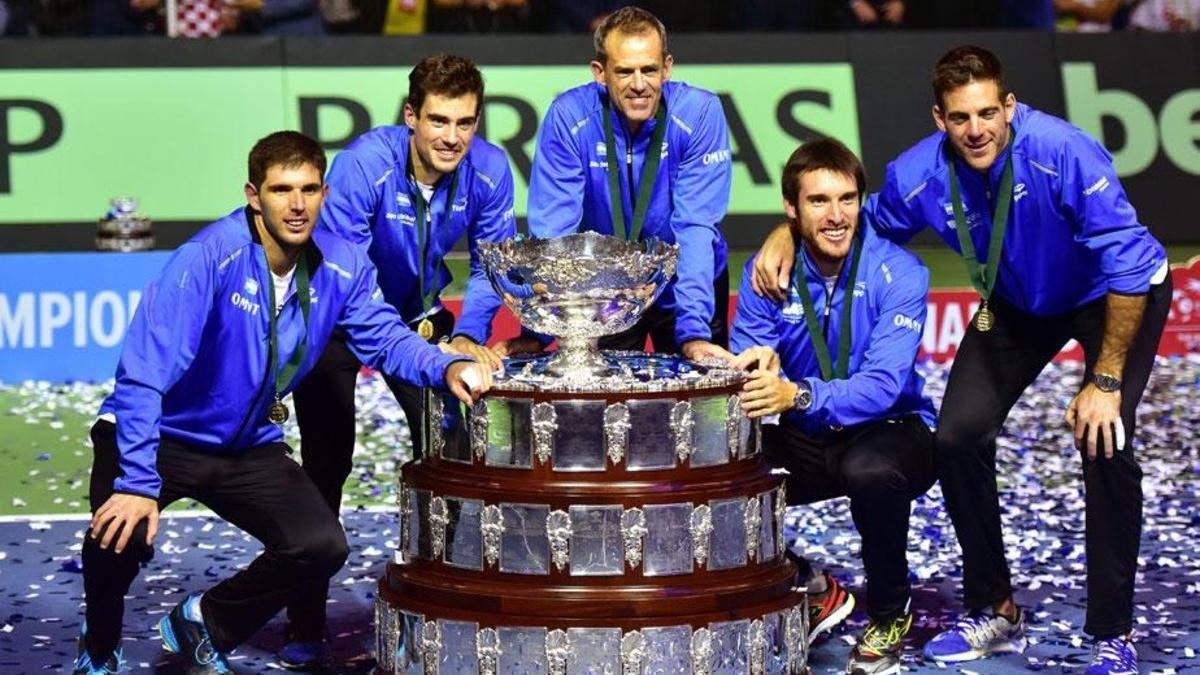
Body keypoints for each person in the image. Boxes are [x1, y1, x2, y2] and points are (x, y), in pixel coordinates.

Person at [749, 46, 1172, 674]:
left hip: (1109, 296)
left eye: (985, 113)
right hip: (1018, 303)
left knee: (1103, 439)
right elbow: (854, 223)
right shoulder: (922, 171)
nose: (974, 130)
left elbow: (1131, 263)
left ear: (1008, 106)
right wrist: (784, 230)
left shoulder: (1063, 151)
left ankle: (1112, 632)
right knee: (956, 435)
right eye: (958, 117)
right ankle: (994, 609)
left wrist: (1105, 380)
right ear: (939, 119)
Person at [72, 130, 491, 675]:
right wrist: (135, 482)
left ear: (324, 191)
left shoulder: (343, 263)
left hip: (246, 448)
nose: (297, 205)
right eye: (281, 190)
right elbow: (143, 376)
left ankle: (205, 622)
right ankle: (100, 646)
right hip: (164, 436)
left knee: (320, 546)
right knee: (117, 533)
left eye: (309, 189)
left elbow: (385, 337)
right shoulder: (207, 258)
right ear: (253, 195)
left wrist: (446, 364)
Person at [283, 53, 530, 670]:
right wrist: (418, 350)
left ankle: (448, 603)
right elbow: (347, 278)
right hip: (341, 319)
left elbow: (491, 266)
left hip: (421, 316)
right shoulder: (366, 164)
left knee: (457, 448)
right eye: (439, 121)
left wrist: (469, 336)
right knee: (328, 459)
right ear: (411, 116)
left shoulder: (491, 170)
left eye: (466, 123)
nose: (452, 137)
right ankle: (305, 619)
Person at [732, 138, 935, 675]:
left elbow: (884, 386)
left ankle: (891, 614)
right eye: (819, 201)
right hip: (807, 433)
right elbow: (746, 357)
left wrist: (796, 393)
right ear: (791, 210)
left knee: (868, 470)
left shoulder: (902, 273)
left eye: (847, 199)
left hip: (890, 429)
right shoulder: (766, 272)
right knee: (721, 473)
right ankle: (810, 584)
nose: (837, 215)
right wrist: (754, 370)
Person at [526, 6, 733, 361]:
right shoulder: (569, 117)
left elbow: (695, 227)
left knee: (700, 407)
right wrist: (540, 330)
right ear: (600, 73)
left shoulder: (700, 113)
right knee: (603, 410)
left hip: (684, 286)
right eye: (624, 71)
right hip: (607, 291)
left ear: (667, 67)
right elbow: (554, 233)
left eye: (649, 69)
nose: (639, 84)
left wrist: (694, 333)